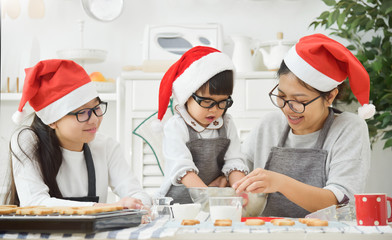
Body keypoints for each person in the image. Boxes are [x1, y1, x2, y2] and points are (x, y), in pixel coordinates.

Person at [233, 34, 375, 218]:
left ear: (330, 97)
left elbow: (340, 201)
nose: (288, 109)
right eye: (282, 96)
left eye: (299, 101)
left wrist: (280, 182)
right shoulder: (270, 124)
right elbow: (238, 166)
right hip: (267, 232)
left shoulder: (348, 128)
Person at [7, 59, 151, 209]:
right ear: (52, 121)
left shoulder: (106, 146)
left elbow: (137, 193)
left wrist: (139, 204)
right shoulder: (27, 141)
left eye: (97, 107)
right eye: (82, 112)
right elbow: (34, 203)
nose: (94, 119)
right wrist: (108, 207)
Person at [156, 46, 249, 204]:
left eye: (223, 102)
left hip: (212, 200)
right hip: (178, 203)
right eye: (206, 101)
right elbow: (182, 169)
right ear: (187, 96)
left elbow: (234, 162)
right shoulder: (176, 127)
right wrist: (209, 198)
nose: (214, 110)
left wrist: (241, 192)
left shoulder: (226, 123)